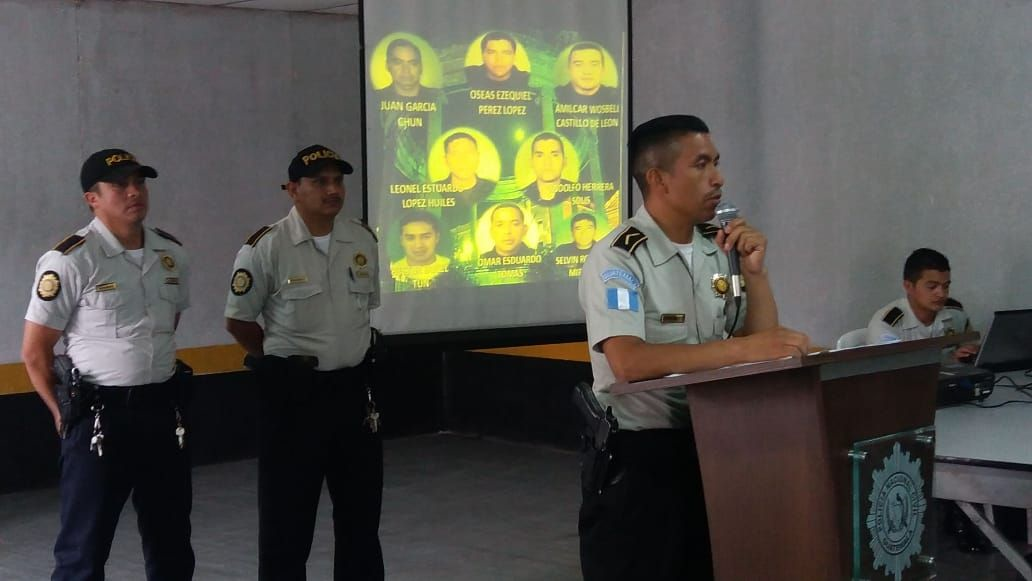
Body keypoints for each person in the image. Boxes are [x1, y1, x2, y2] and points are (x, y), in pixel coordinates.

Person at [577, 115, 810, 580]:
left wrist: (756, 273)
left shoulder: (717, 248)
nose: (718, 178)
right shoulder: (618, 256)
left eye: (717, 163)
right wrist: (742, 351)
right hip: (643, 459)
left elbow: (759, 344)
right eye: (701, 165)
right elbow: (628, 361)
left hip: (717, 443)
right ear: (658, 179)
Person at [22, 148, 194, 580]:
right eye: (120, 185)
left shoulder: (170, 254)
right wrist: (63, 416)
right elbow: (35, 350)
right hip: (100, 419)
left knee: (171, 542)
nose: (134, 191)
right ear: (92, 199)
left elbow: (166, 325)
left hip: (161, 412)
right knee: (84, 549)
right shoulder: (71, 259)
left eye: (140, 182)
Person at [224, 144, 384, 580]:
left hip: (353, 395)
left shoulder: (362, 241)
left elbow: (366, 308)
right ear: (293, 190)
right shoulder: (266, 247)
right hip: (294, 399)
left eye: (338, 181)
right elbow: (238, 321)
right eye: (320, 182)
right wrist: (277, 363)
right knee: (286, 524)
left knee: (360, 520)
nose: (333, 190)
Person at [865, 248, 978, 361]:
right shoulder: (888, 324)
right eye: (932, 287)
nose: (941, 294)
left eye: (946, 286)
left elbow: (971, 348)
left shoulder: (956, 314)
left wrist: (967, 354)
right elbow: (892, 371)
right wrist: (948, 361)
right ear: (908, 286)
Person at [435, 132, 497, 233]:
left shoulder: (490, 188)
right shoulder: (435, 190)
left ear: (478, 156)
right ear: (446, 160)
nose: (462, 160)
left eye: (468, 153)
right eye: (455, 154)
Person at [390, 210, 451, 290]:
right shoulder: (395, 270)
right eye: (410, 238)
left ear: (437, 238)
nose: (418, 245)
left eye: (426, 237)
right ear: (401, 241)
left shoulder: (448, 266)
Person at [554, 42, 620, 104]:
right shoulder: (555, 95)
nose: (587, 72)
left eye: (594, 64)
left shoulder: (615, 96)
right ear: (569, 68)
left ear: (603, 68)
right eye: (578, 64)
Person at [522, 132, 575, 206]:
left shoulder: (575, 190)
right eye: (539, 156)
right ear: (531, 162)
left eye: (555, 155)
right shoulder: (525, 193)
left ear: (564, 161)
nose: (547, 162)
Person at [465, 31, 529, 89]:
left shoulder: (526, 80)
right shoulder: (469, 76)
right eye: (491, 52)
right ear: (483, 55)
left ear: (514, 56)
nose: (499, 59)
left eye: (506, 53)